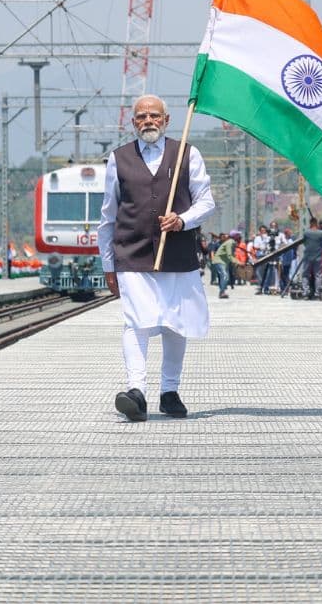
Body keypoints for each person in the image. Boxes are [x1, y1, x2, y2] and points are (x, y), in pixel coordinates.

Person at [98, 94, 215, 422]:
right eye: (141, 116)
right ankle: (136, 391)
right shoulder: (118, 158)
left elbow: (206, 202)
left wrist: (182, 220)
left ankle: (169, 391)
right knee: (136, 320)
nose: (148, 121)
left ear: (166, 120)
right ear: (133, 122)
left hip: (177, 253)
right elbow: (108, 215)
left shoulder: (188, 154)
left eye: (154, 115)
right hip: (132, 252)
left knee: (176, 323)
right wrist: (107, 264)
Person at [301, 218, 322, 300]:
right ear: (317, 224)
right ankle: (317, 294)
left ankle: (305, 293)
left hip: (307, 257)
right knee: (318, 276)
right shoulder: (321, 233)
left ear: (310, 223)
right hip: (318, 257)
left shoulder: (306, 232)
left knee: (305, 275)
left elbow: (305, 243)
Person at [212, 231, 235, 299]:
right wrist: (213, 259)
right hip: (219, 262)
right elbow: (212, 252)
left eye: (225, 237)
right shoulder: (217, 244)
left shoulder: (227, 243)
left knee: (226, 276)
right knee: (223, 276)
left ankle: (224, 288)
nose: (224, 238)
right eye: (223, 237)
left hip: (226, 262)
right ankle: (222, 291)